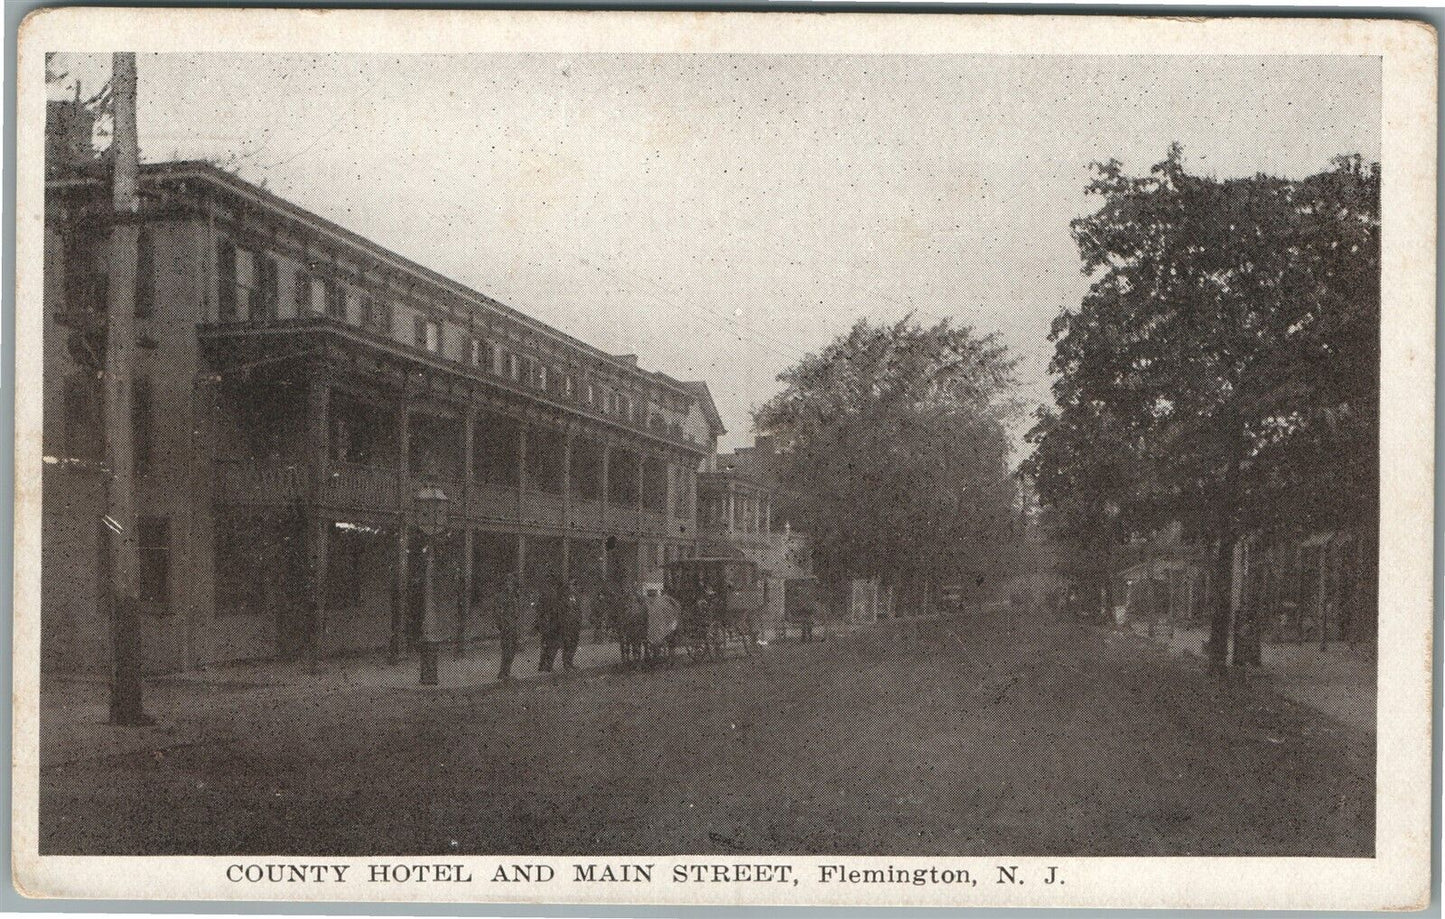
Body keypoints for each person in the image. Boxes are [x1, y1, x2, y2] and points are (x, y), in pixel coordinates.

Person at [494, 573, 524, 680]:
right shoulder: (501, 597)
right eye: (508, 582)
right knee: (507, 650)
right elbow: (498, 613)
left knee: (513, 649)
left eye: (512, 583)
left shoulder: (514, 596)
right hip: (506, 627)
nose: (510, 585)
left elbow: (516, 613)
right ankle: (503, 672)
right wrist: (502, 626)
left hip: (513, 627)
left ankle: (507, 671)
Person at [536, 582, 564, 672]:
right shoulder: (551, 594)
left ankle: (543, 665)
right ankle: (547, 665)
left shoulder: (548, 593)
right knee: (552, 645)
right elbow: (545, 610)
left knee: (546, 645)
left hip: (550, 623)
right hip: (551, 623)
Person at [559, 579, 584, 670]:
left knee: (574, 643)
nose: (574, 587)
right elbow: (561, 611)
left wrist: (579, 620)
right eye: (572, 585)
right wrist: (563, 622)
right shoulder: (564, 597)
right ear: (568, 586)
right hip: (567, 624)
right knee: (567, 643)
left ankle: (570, 662)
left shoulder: (576, 596)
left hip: (575, 624)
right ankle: (566, 663)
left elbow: (579, 610)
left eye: (575, 585)